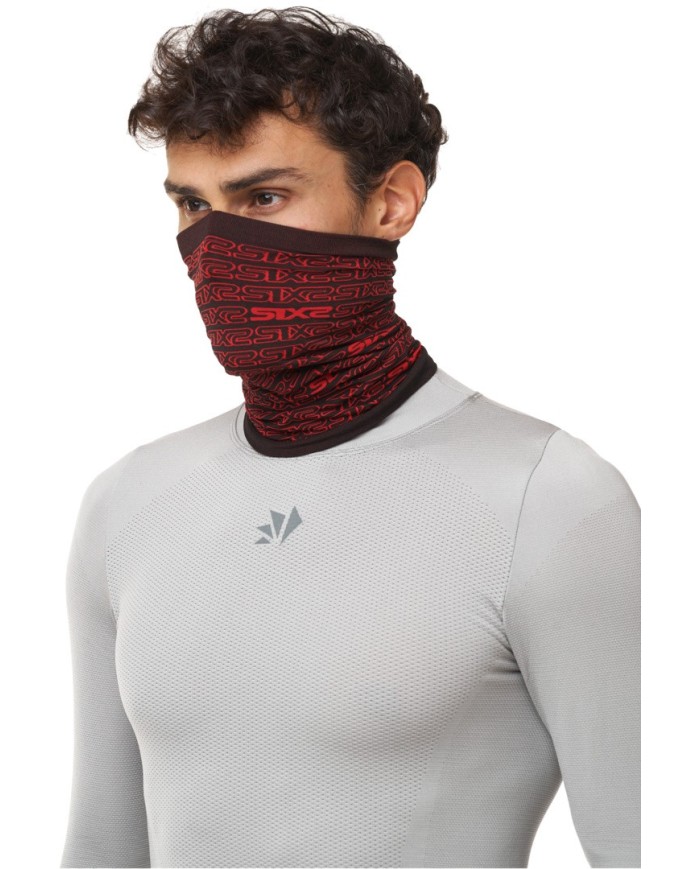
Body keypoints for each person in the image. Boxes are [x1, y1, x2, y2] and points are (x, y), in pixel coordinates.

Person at [59, 7, 640, 868]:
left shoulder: (548, 500)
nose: (217, 246)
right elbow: (102, 848)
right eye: (192, 204)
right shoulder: (128, 502)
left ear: (392, 202)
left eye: (264, 197)